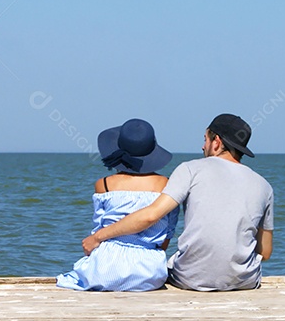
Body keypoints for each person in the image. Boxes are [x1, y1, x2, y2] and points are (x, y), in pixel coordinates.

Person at [82, 113, 273, 291]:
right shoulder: (265, 186)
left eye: (205, 139)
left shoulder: (191, 169)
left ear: (216, 142)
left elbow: (150, 215)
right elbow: (265, 252)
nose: (202, 146)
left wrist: (98, 237)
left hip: (191, 279)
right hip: (245, 281)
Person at [57, 119, 180, 291]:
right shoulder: (168, 185)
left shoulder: (104, 184)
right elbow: (167, 237)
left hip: (104, 268)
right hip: (150, 272)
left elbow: (98, 230)